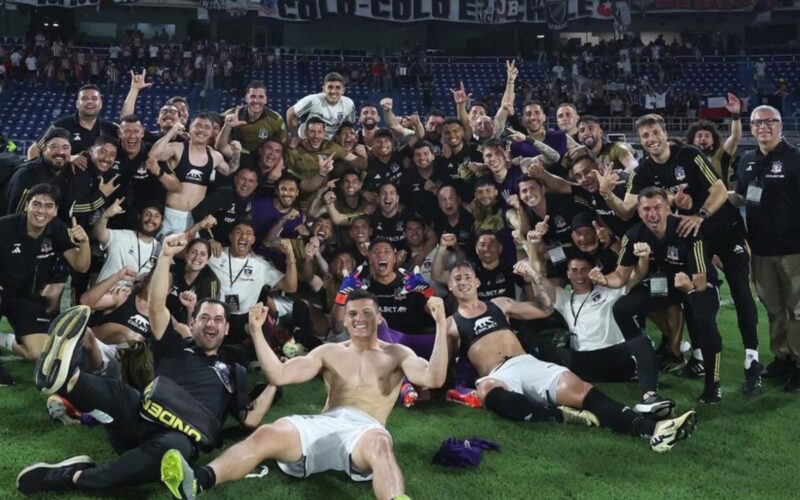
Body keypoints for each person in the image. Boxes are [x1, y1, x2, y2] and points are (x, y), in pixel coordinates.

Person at [15, 233, 278, 495]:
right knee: (120, 393)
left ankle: (72, 477)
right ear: (193, 323)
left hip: (176, 437)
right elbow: (156, 307)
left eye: (218, 320)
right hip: (140, 414)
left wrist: (274, 382)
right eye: (204, 317)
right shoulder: (176, 343)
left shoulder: (235, 371)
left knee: (174, 452)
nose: (211, 323)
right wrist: (164, 256)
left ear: (227, 327)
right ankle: (65, 378)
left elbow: (251, 420)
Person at [158, 290, 448, 499]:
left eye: (367, 313)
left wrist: (440, 325)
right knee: (268, 432)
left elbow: (433, 378)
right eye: (353, 314)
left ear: (379, 317)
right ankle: (197, 481)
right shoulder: (329, 351)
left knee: (381, 442)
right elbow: (279, 375)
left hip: (364, 431)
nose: (359, 319)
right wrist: (257, 332)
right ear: (344, 320)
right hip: (324, 422)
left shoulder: (397, 353)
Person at [444, 260, 696, 452]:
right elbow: (443, 369)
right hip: (497, 375)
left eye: (468, 276)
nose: (463, 281)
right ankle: (557, 414)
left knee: (583, 390)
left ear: (477, 282)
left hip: (526, 363)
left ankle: (652, 429)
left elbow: (544, 310)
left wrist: (533, 277)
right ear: (451, 286)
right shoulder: (449, 325)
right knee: (487, 390)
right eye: (458, 278)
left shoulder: (500, 305)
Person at [598, 187, 725, 403]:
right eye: (646, 209)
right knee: (622, 308)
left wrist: (688, 288)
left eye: (657, 207)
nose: (652, 214)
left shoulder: (687, 230)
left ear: (668, 209)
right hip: (662, 285)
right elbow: (621, 276)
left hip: (694, 284)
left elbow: (700, 279)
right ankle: (642, 358)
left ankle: (713, 385)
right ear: (639, 212)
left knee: (705, 319)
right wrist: (604, 280)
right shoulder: (634, 235)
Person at [731, 105, 800, 391]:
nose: (764, 126)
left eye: (770, 121)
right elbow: (741, 197)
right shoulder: (747, 159)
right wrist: (711, 199)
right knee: (774, 309)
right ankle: (782, 357)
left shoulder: (796, 158)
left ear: (781, 125)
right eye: (758, 122)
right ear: (751, 128)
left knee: (798, 310)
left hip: (795, 250)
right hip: (760, 250)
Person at [0, 183, 90, 362]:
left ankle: (3, 340)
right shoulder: (5, 227)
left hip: (28, 300)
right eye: (36, 204)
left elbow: (81, 266)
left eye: (48, 206)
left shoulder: (57, 229)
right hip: (3, 292)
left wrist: (84, 242)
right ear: (27, 206)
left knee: (39, 354)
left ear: (56, 210)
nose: (41, 211)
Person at [148, 115, 233, 235]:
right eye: (197, 125)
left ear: (211, 132)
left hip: (195, 218)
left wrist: (237, 154)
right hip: (172, 214)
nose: (201, 130)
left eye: (206, 127)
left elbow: (230, 171)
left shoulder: (215, 156)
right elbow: (153, 156)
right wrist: (172, 132)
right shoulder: (178, 148)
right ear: (189, 129)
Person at [29, 84, 118, 162]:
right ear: (77, 103)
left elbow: (127, 126)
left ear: (101, 104)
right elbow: (34, 150)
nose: (89, 102)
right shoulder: (60, 125)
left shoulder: (110, 128)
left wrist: (133, 90)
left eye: (94, 99)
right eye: (84, 99)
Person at [216, 80, 287, 157]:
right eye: (253, 96)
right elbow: (212, 129)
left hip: (263, 159)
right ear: (246, 98)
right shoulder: (231, 115)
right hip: (236, 156)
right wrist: (227, 126)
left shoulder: (275, 120)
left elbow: (282, 145)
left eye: (261, 97)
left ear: (266, 100)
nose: (256, 101)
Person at [685, 93, 741, 186]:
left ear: (713, 140)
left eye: (707, 136)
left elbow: (735, 137)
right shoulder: (684, 157)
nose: (703, 138)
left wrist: (735, 115)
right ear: (692, 140)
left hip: (721, 199)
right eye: (699, 136)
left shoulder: (721, 155)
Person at [287, 71, 356, 142]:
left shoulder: (349, 104)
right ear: (324, 88)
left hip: (329, 143)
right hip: (306, 140)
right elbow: (290, 113)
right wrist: (294, 136)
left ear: (343, 90)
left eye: (337, 87)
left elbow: (350, 125)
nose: (333, 91)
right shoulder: (313, 100)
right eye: (330, 87)